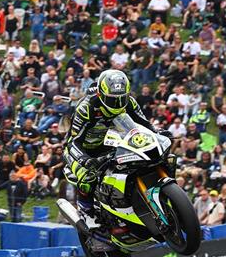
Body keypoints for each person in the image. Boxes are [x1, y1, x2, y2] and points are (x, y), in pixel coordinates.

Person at [63, 69, 164, 226]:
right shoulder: (86, 108)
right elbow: (73, 142)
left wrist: (158, 133)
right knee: (88, 178)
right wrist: (85, 160)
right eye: (112, 100)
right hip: (82, 150)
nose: (117, 104)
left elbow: (145, 123)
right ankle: (86, 211)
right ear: (101, 94)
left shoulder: (129, 102)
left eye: (121, 99)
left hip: (110, 144)